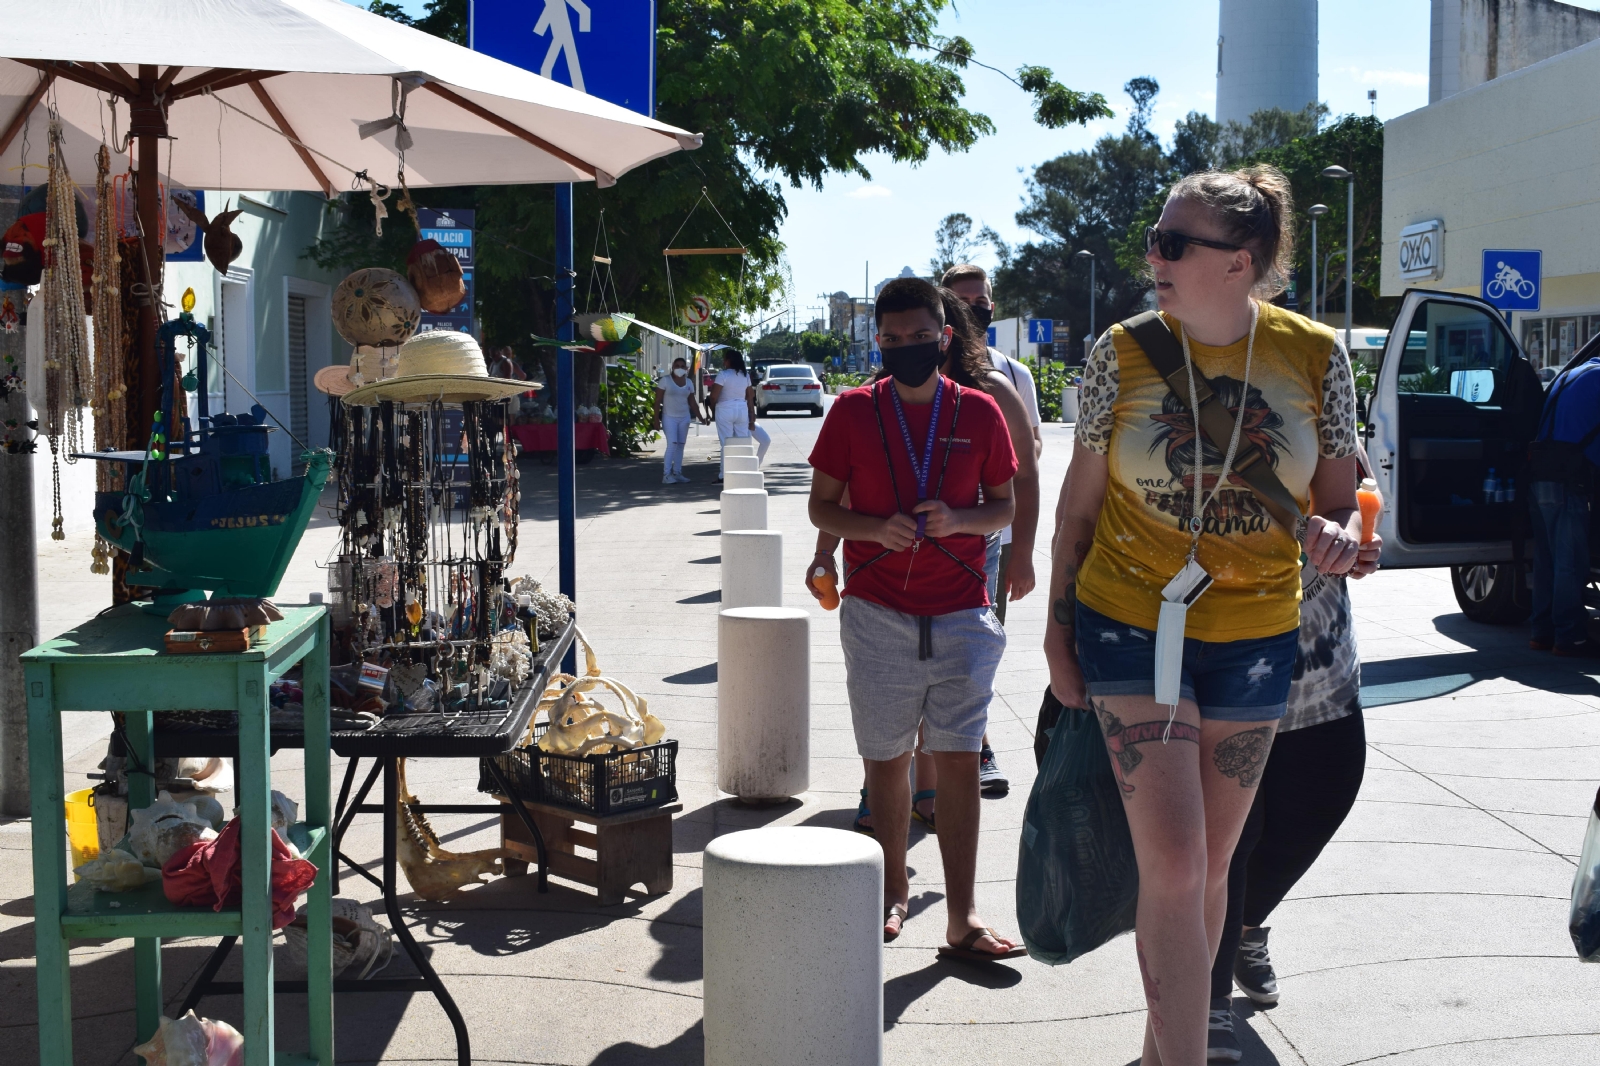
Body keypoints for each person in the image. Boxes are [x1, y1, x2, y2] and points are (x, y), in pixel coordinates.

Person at [1044, 165, 1361, 1065]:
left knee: (1211, 869)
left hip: (1257, 636)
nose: (1155, 255)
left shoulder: (1315, 355)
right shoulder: (1122, 351)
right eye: (1155, 237)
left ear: (1243, 262)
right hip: (1126, 621)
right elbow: (1077, 508)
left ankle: (1158, 1052)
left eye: (1175, 244)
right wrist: (1056, 627)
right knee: (1177, 864)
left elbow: (1339, 501)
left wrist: (1339, 539)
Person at [807, 276, 1024, 959]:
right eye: (893, 340)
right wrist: (872, 530)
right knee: (887, 761)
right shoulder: (851, 412)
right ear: (879, 342)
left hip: (963, 613)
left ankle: (962, 918)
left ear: (945, 337)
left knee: (959, 762)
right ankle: (893, 889)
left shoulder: (980, 412)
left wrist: (960, 518)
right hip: (878, 614)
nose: (906, 349)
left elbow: (1005, 507)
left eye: (920, 338)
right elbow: (822, 508)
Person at [1206, 452, 1382, 1062]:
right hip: (1225, 669)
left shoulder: (1322, 376)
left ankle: (1247, 925)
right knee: (1232, 839)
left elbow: (1359, 490)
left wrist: (1355, 540)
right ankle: (1206, 1004)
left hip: (1323, 668)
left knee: (1326, 797)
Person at [1527, 351, 1600, 655]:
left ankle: (1541, 633)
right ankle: (1570, 637)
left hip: (1539, 474)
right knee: (1570, 562)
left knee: (1547, 559)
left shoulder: (1573, 373)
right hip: (1568, 479)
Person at [653, 356, 701, 484]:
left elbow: (692, 402)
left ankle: (677, 472)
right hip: (669, 417)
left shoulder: (689, 382)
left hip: (684, 417)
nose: (679, 368)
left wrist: (701, 417)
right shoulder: (665, 381)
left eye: (682, 366)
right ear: (672, 367)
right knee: (672, 444)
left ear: (686, 368)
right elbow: (657, 400)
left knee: (680, 445)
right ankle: (666, 474)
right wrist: (656, 418)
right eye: (677, 366)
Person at [710, 350, 752, 482]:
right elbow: (750, 395)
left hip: (725, 408)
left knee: (726, 443)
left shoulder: (723, 374)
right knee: (742, 442)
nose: (723, 361)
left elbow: (714, 396)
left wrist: (712, 407)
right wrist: (752, 414)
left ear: (729, 360)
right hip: (742, 408)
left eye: (725, 359)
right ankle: (743, 472)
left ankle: (724, 475)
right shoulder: (745, 375)